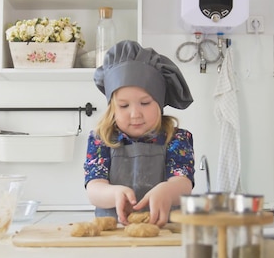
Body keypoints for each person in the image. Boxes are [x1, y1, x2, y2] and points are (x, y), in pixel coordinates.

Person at [83, 40, 195, 228]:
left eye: (145, 103)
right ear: (112, 108)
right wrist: (114, 194)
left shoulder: (177, 139)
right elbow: (94, 188)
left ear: (159, 103)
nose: (135, 114)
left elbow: (183, 183)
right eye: (124, 106)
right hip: (113, 233)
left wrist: (168, 190)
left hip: (166, 232)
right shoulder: (101, 140)